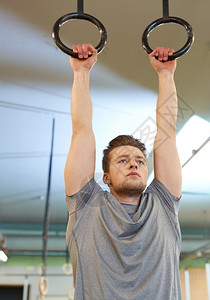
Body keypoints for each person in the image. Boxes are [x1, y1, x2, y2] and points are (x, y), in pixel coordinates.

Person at [64, 43, 182, 299]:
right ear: (105, 177)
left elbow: (167, 134)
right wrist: (81, 72)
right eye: (123, 160)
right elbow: (81, 130)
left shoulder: (163, 205)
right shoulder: (86, 206)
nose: (134, 164)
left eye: (140, 161)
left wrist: (166, 75)